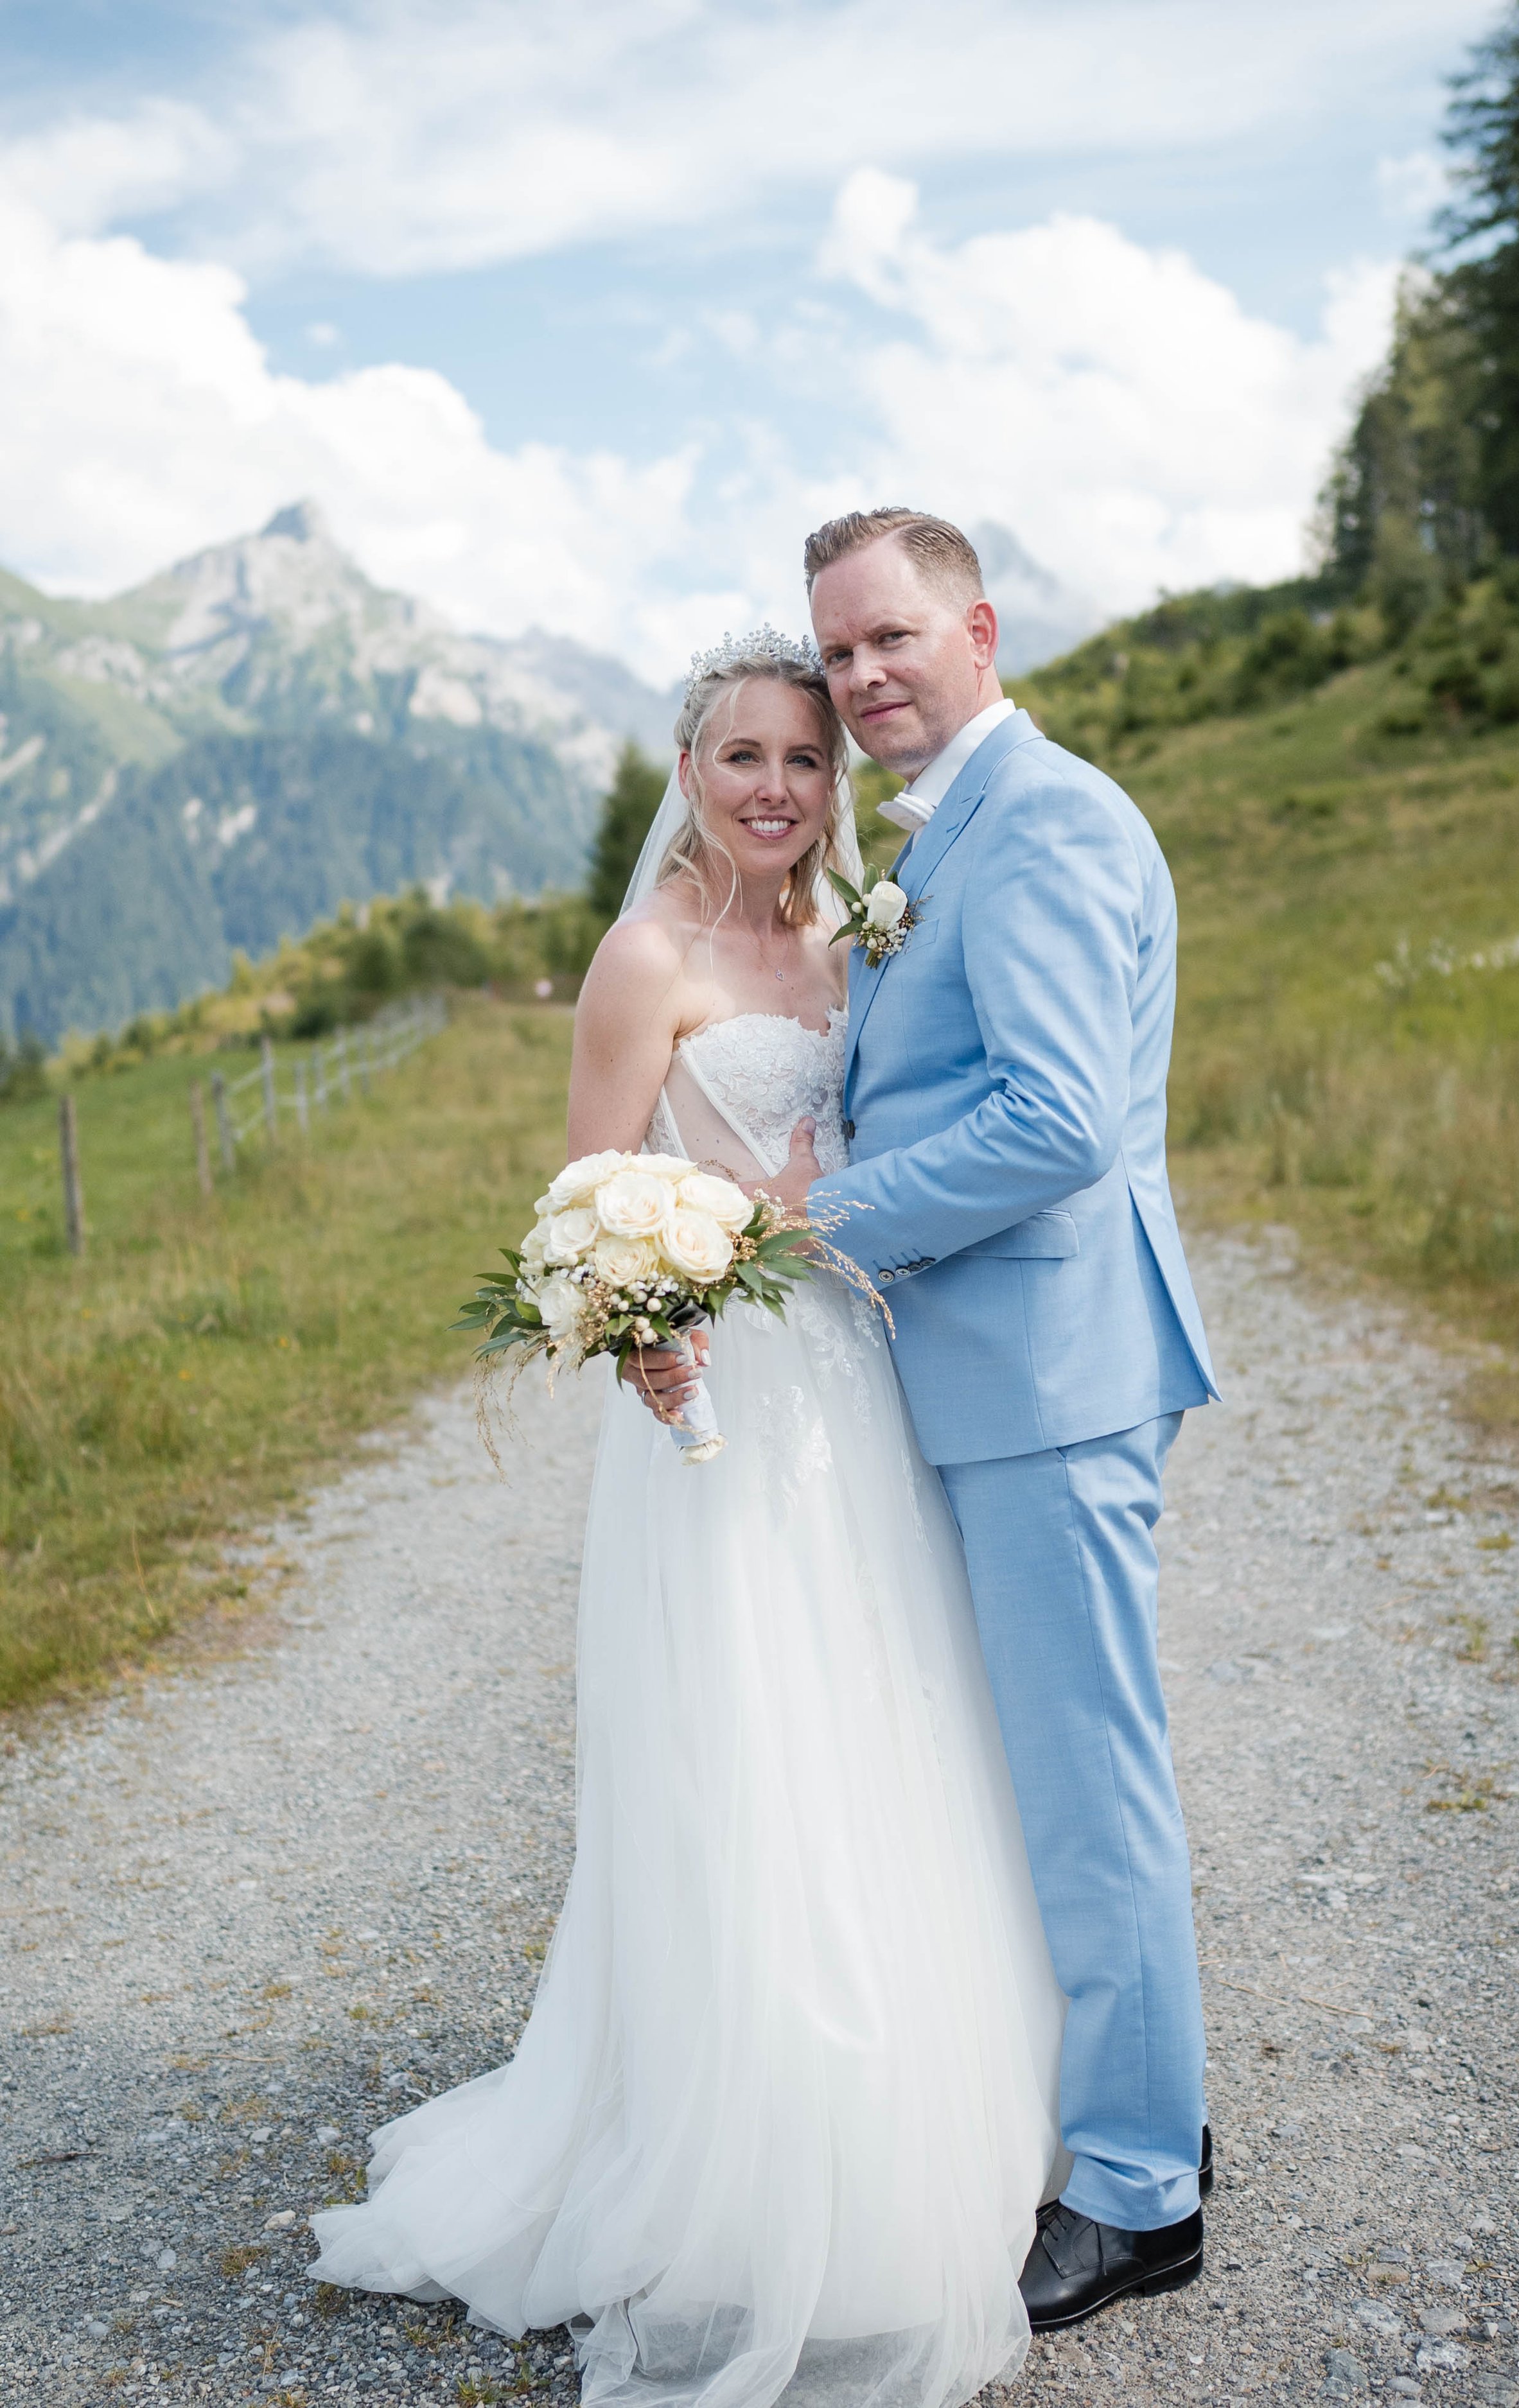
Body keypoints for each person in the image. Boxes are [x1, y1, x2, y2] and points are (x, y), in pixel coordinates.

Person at [309, 633, 1072, 2408]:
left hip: (865, 1396)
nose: (776, 790)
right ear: (692, 768)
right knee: (745, 1753)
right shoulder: (643, 957)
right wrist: (648, 1337)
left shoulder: (856, 939)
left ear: (835, 779)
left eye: (804, 760)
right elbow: (583, 1208)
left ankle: (917, 2112)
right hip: (723, 1410)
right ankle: (736, 2159)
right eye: (742, 757)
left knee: (896, 1731)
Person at [760, 508, 1220, 2330]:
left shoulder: (1041, 821)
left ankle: (1136, 2189)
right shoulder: (944, 824)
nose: (863, 675)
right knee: (1041, 1768)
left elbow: (1052, 1125)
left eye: (889, 639)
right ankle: (1147, 2112)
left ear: (976, 625)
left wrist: (817, 1219)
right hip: (997, 1364)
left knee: (1084, 1775)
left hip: (1045, 1369)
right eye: (837, 650)